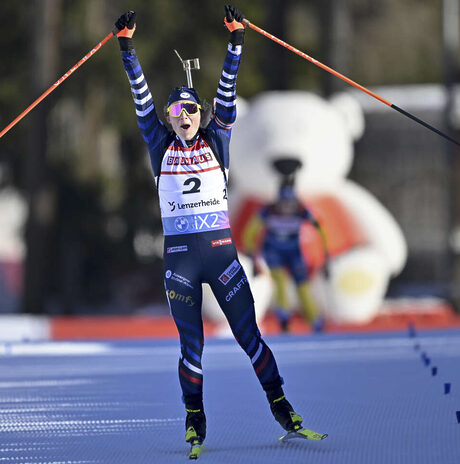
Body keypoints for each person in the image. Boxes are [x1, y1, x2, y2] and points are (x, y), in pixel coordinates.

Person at [113, 6, 326, 457]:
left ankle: (283, 409)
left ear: (200, 114)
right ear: (168, 118)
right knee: (192, 347)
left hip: (222, 258)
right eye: (175, 111)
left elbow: (227, 95)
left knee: (251, 337)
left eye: (189, 109)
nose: (182, 116)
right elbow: (140, 99)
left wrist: (236, 43)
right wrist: (127, 48)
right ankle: (194, 422)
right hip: (181, 266)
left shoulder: (217, 139)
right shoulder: (159, 145)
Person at [242, 159, 330, 334]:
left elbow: (320, 228)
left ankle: (315, 322)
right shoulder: (268, 210)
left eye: (290, 205)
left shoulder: (302, 210)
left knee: (302, 286)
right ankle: (283, 320)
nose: (287, 209)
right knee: (280, 282)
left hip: (294, 252)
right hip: (273, 251)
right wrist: (251, 252)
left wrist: (326, 253)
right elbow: (250, 231)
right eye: (283, 204)